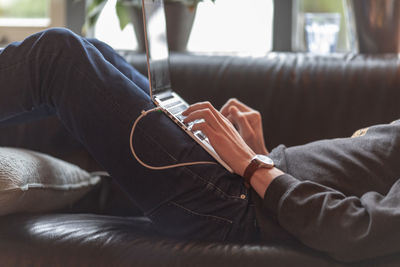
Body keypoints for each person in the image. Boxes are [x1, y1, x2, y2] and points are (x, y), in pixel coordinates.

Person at [1, 28, 400, 263]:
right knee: (93, 50)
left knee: (59, 55)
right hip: (241, 188)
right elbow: (343, 185)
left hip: (231, 202)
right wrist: (261, 154)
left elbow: (357, 229)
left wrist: (253, 166)